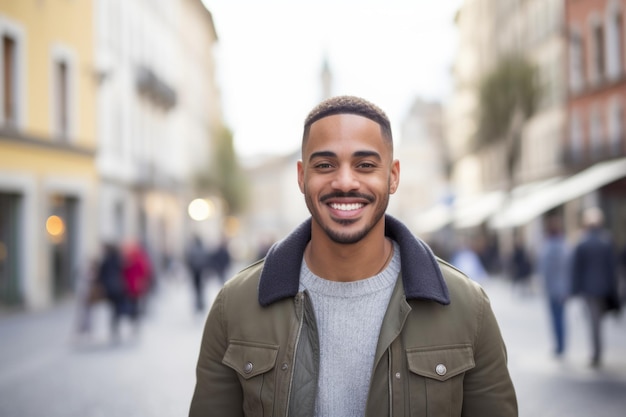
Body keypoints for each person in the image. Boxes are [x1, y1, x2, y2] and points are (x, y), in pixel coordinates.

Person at [189, 95, 517, 416]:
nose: (345, 181)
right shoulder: (235, 306)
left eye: (365, 165)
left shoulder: (466, 308)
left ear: (393, 176)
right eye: (325, 165)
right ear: (302, 176)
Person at [571, 206, 619, 368]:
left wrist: (574, 290)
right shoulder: (606, 241)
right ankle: (598, 351)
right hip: (603, 288)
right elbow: (612, 268)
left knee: (594, 322)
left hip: (589, 290)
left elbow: (576, 269)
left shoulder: (582, 243)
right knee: (597, 321)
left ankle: (597, 352)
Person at [537, 214, 571, 358]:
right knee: (561, 317)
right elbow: (569, 268)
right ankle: (561, 345)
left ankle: (559, 346)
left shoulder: (547, 247)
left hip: (552, 288)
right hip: (562, 288)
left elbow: (543, 269)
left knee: (555, 317)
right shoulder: (565, 246)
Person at [96, 242, 125, 342]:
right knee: (116, 307)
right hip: (118, 287)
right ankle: (115, 324)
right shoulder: (119, 260)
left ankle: (114, 325)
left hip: (110, 287)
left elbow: (100, 274)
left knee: (113, 308)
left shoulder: (106, 260)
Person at [185, 235, 208, 311]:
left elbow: (189, 260)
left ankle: (198, 304)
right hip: (201, 272)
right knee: (201, 289)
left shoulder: (193, 250)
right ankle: (200, 304)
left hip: (195, 272)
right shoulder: (203, 249)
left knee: (197, 289)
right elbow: (206, 260)